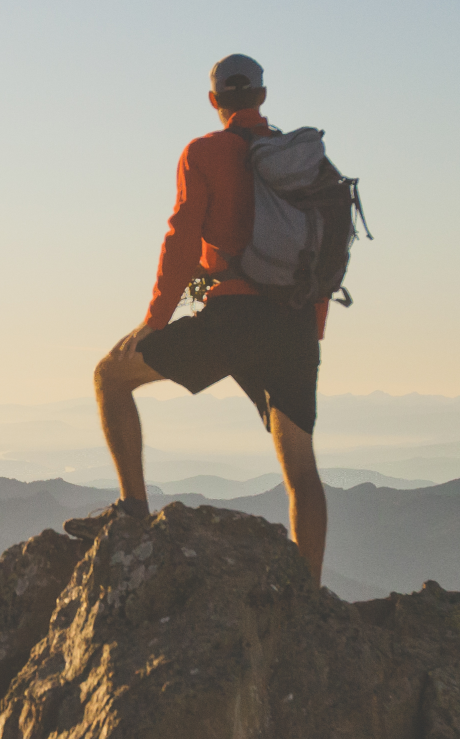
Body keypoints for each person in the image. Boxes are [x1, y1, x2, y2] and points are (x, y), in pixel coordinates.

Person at [94, 53, 331, 581]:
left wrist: (155, 320)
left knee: (110, 376)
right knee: (301, 468)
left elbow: (181, 240)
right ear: (263, 98)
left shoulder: (203, 153)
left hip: (234, 319)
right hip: (293, 323)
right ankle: (309, 596)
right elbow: (324, 252)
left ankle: (133, 510)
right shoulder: (300, 163)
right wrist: (310, 330)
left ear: (214, 100)